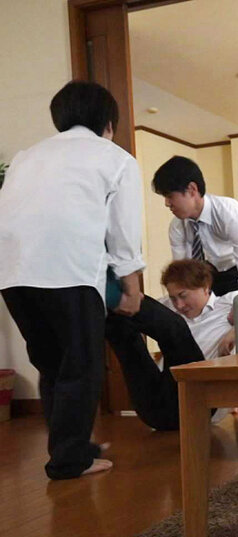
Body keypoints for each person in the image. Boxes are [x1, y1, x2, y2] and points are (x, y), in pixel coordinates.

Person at [0, 81, 145, 479]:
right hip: (69, 271)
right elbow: (124, 233)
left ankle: (71, 448)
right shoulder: (115, 158)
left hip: (13, 273)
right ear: (108, 124)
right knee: (81, 367)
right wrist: (132, 288)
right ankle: (69, 460)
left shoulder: (26, 157)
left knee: (52, 365)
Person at [105, 260, 238, 430]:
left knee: (175, 327)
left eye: (183, 295)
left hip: (199, 401)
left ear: (205, 287)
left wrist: (235, 330)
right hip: (154, 409)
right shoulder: (166, 308)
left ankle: (108, 288)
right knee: (123, 331)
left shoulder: (230, 302)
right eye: (173, 298)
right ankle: (98, 293)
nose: (179, 305)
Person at [152, 155, 238, 296]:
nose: (167, 203)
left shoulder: (229, 213)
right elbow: (183, 270)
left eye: (170, 196)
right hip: (213, 270)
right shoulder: (177, 226)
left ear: (192, 189)